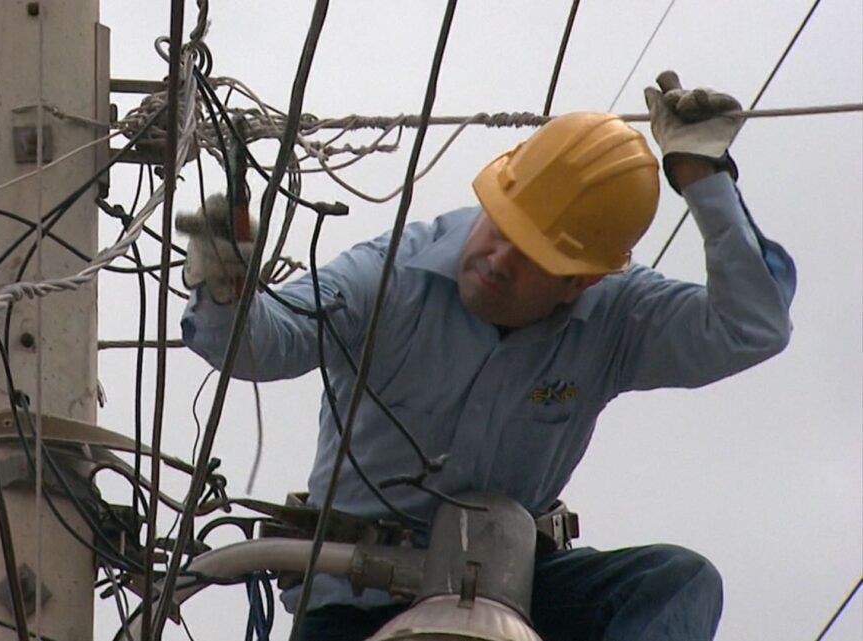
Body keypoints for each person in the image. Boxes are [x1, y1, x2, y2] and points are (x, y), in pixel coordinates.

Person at [178, 72, 796, 640]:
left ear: (581, 282)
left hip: (512, 589)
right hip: (356, 598)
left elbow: (750, 327)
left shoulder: (617, 318)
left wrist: (703, 179)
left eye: (533, 259)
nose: (499, 262)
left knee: (676, 583)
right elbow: (264, 342)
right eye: (500, 228)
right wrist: (226, 281)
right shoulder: (390, 276)